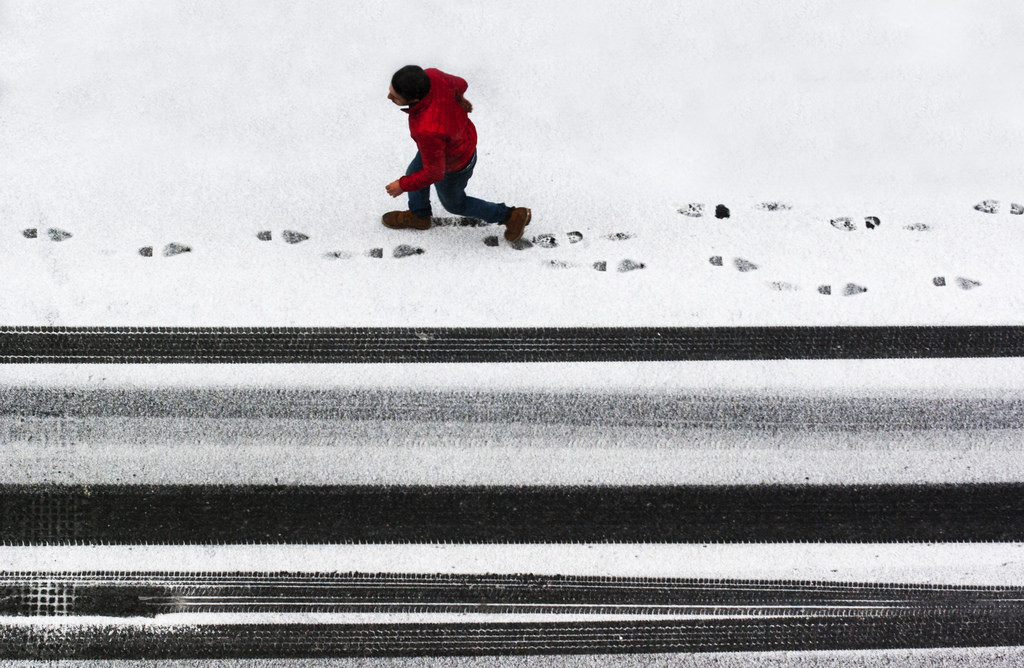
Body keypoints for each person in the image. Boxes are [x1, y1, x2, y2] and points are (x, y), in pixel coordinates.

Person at [383, 65, 531, 242]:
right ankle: (419, 215)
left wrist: (402, 185)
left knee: (455, 204)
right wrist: (458, 98)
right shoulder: (432, 76)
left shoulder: (426, 129)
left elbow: (434, 172)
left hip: (455, 163)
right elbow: (461, 83)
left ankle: (509, 216)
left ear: (415, 99)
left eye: (395, 97)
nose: (388, 97)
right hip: (456, 140)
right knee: (414, 172)